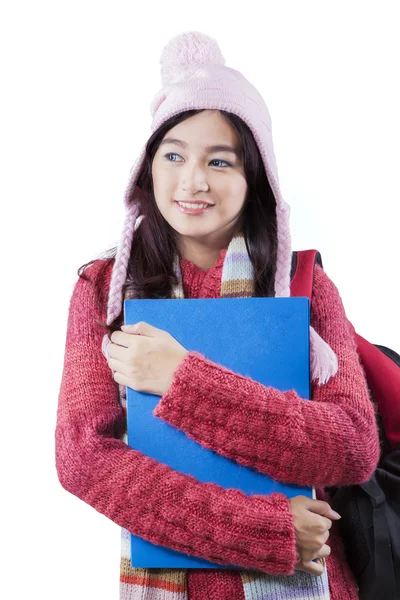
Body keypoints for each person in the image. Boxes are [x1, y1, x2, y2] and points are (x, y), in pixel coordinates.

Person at [55, 31, 380, 600]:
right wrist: (266, 530)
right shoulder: (103, 289)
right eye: (174, 155)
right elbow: (83, 459)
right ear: (147, 169)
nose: (193, 180)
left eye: (220, 160)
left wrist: (182, 380)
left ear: (255, 176)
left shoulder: (303, 285)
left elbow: (352, 448)